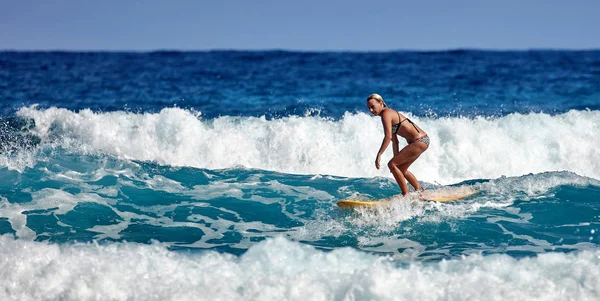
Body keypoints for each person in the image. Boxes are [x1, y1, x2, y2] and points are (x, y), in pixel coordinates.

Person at [366, 93, 430, 196]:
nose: (371, 110)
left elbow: (388, 137)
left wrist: (379, 155)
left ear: (381, 103)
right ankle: (420, 191)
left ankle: (405, 195)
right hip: (422, 140)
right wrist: (396, 162)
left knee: (391, 164)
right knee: (401, 169)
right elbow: (395, 141)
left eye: (373, 107)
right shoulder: (389, 114)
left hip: (419, 141)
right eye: (369, 108)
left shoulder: (386, 114)